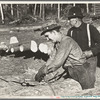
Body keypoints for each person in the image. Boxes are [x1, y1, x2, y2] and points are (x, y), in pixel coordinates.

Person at [35, 24, 95, 90]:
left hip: (81, 70)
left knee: (86, 92)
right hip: (72, 69)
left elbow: (57, 63)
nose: (47, 39)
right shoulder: (58, 43)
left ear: (54, 32)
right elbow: (52, 58)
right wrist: (44, 67)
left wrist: (44, 71)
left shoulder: (66, 41)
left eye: (47, 36)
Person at [67, 6, 100, 85]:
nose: (69, 21)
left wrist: (92, 52)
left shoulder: (90, 28)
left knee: (88, 81)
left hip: (90, 58)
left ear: (76, 19)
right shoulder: (70, 31)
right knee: (76, 80)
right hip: (76, 59)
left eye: (70, 19)